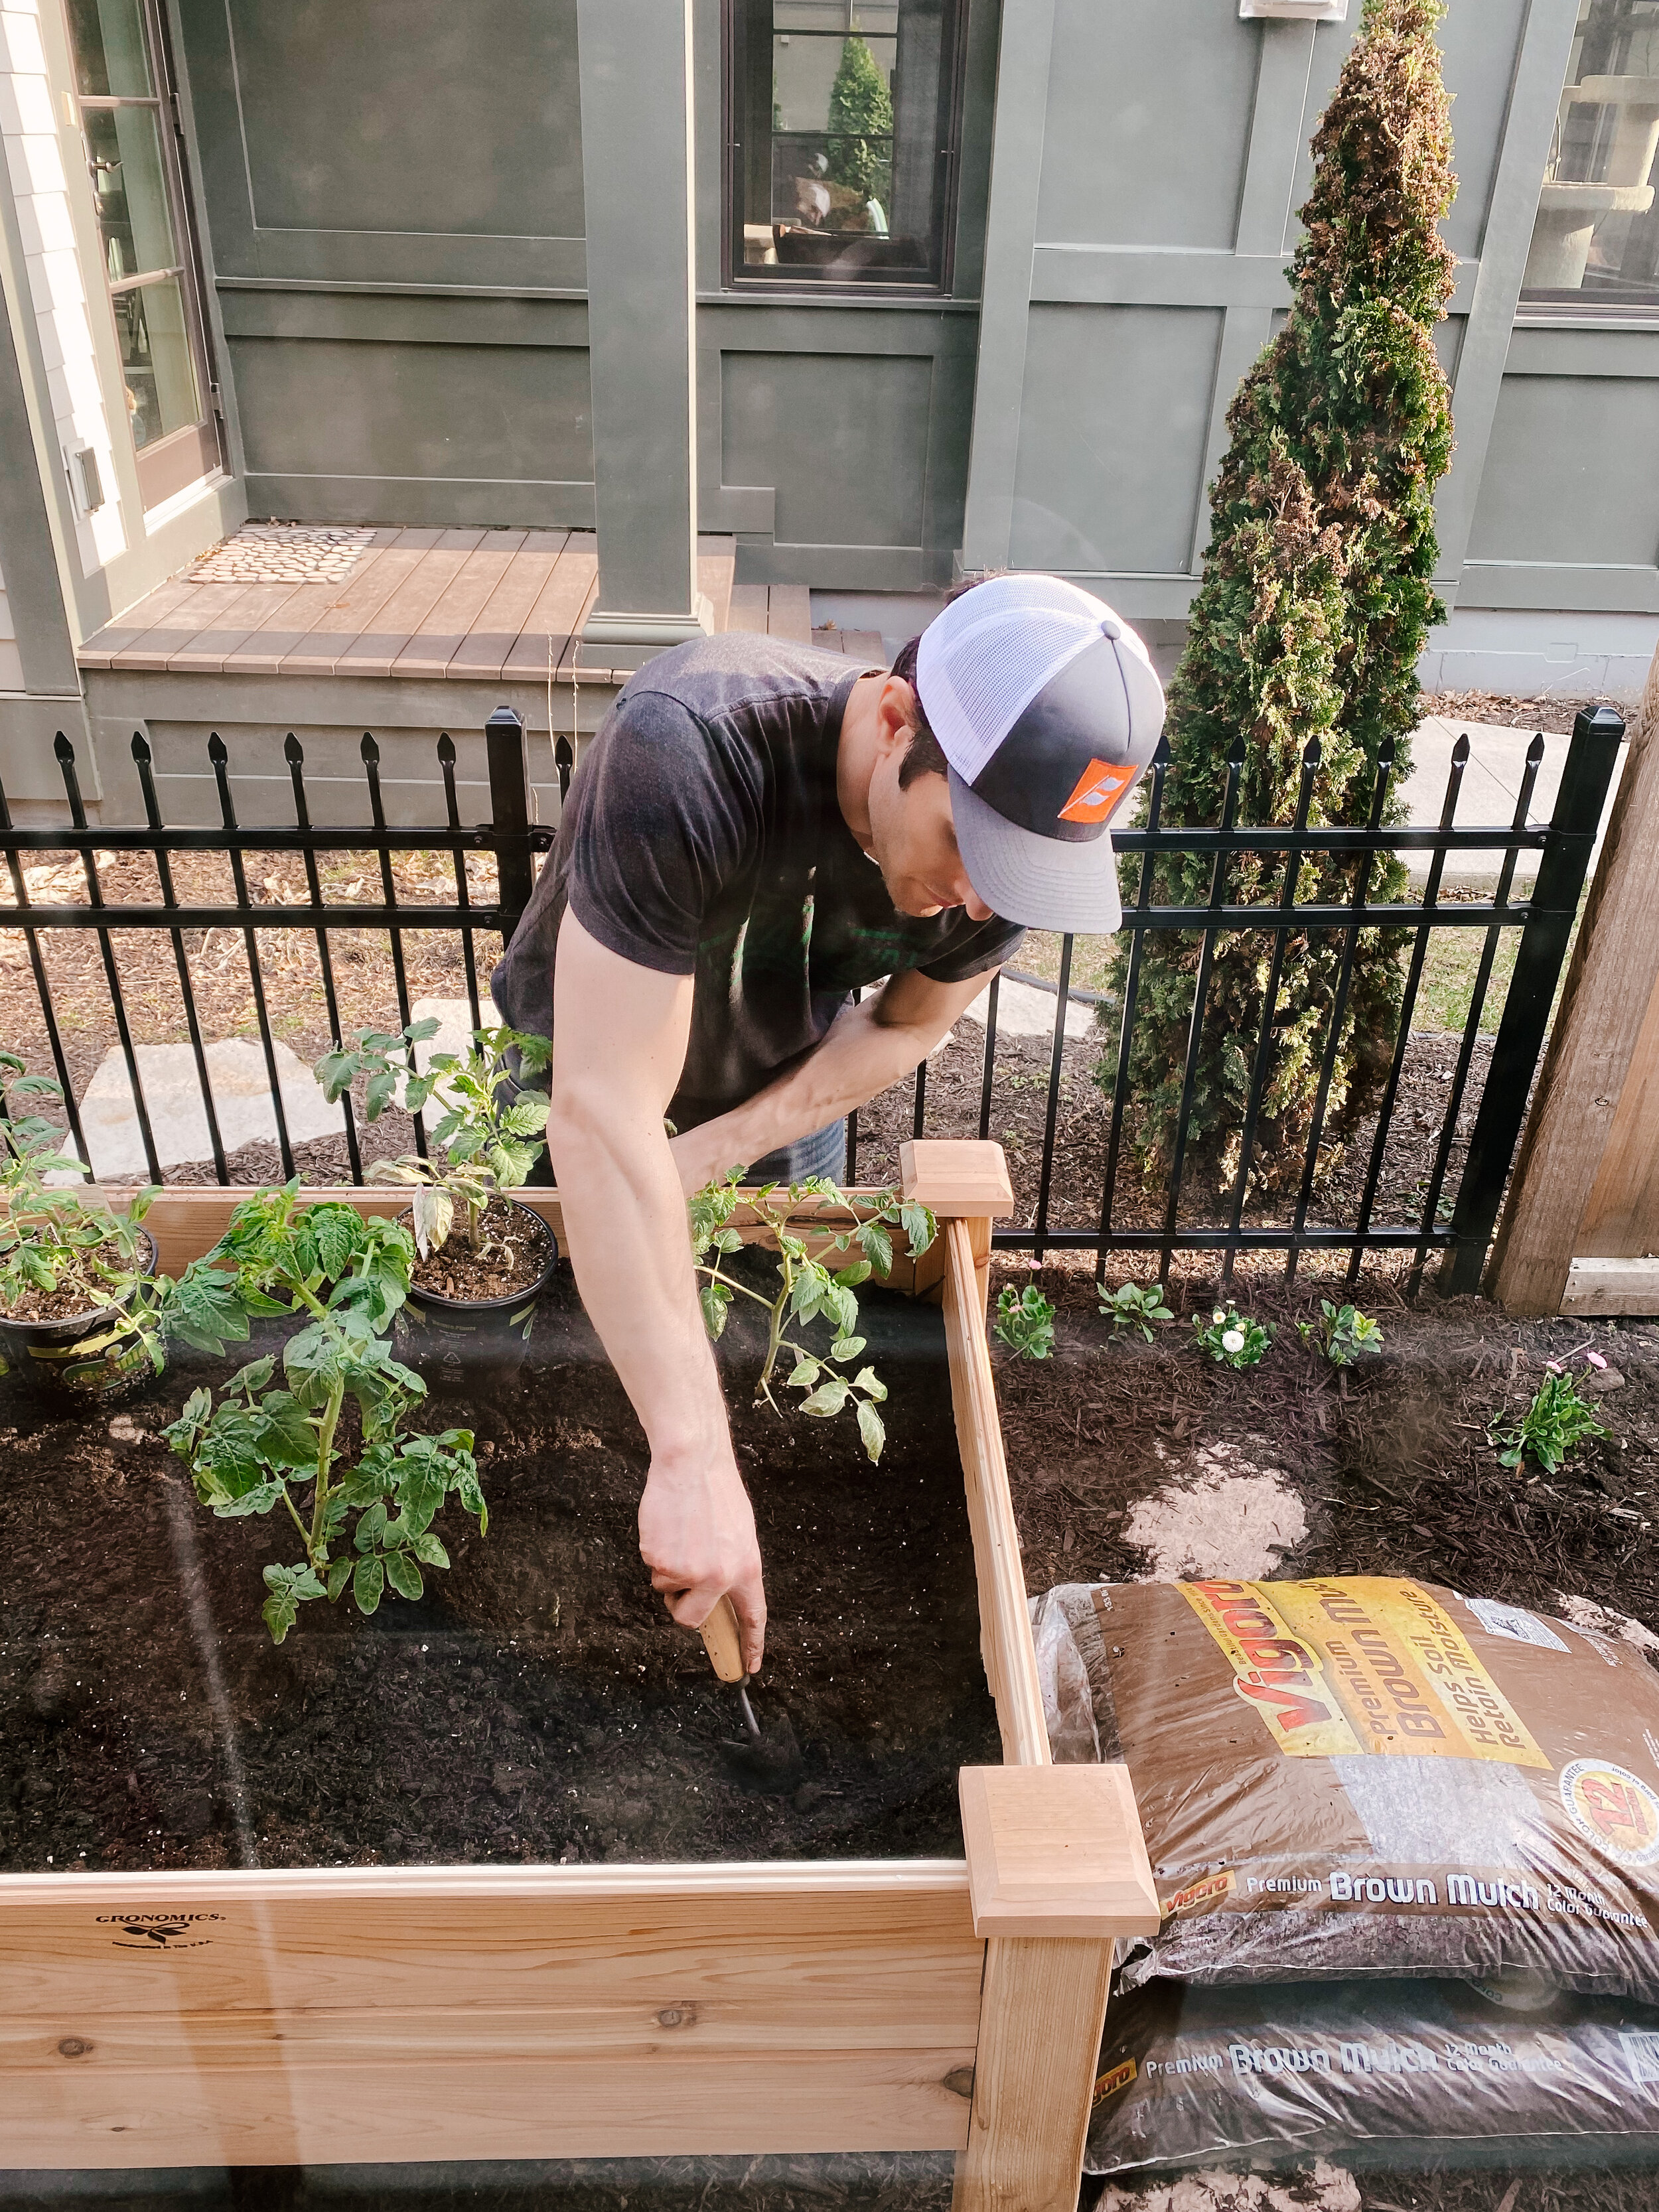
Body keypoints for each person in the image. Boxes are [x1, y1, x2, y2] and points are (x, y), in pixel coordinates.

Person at [490, 573, 1165, 1677]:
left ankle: (709, 1520)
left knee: (771, 1353)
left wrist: (713, 1151)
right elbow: (604, 1106)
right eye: (970, 844)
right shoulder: (692, 748)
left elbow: (904, 1028)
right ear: (896, 717)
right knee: (567, 1373)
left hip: (774, 1087)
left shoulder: (989, 886)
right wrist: (692, 1452)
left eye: (1020, 870)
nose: (984, 902)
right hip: (584, 1070)